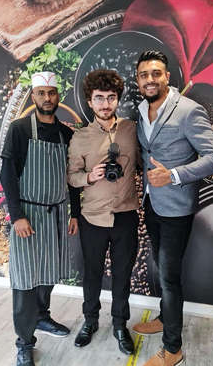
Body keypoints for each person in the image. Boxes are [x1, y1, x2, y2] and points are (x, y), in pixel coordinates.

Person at [131, 50, 213, 366]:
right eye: (144, 74)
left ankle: (173, 349)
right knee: (159, 268)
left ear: (167, 76)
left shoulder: (188, 110)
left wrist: (173, 175)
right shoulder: (141, 110)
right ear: (138, 79)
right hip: (152, 203)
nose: (150, 79)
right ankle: (163, 316)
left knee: (169, 277)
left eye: (156, 73)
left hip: (176, 208)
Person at [0, 71, 81, 366]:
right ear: (33, 97)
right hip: (29, 215)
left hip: (58, 213)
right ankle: (24, 342)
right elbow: (6, 175)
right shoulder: (20, 129)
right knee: (24, 281)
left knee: (48, 272)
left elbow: (73, 179)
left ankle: (42, 317)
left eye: (52, 93)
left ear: (58, 96)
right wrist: (17, 216)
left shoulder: (66, 134)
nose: (47, 98)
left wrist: (74, 213)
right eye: (41, 93)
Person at [67, 69, 139, 355]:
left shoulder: (132, 129)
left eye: (111, 98)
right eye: (99, 98)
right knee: (92, 273)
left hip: (125, 215)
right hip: (92, 218)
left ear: (117, 99)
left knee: (122, 274)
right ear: (90, 101)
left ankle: (120, 325)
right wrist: (89, 177)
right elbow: (71, 177)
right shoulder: (80, 137)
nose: (106, 104)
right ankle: (90, 321)